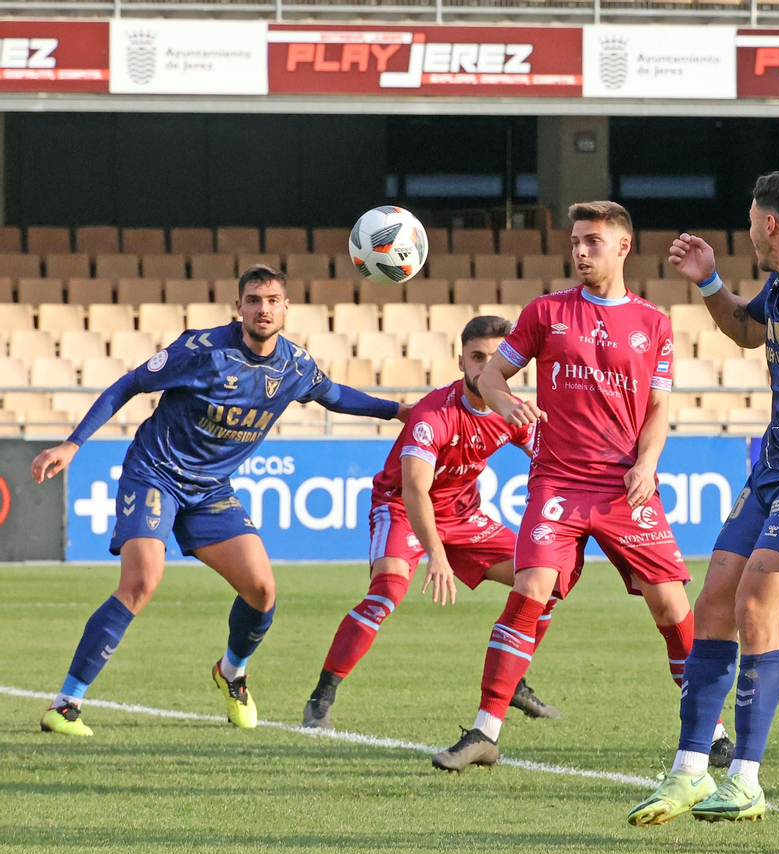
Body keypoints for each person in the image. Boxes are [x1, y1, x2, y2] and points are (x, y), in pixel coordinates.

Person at [33, 265, 407, 736]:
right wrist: (73, 443)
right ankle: (65, 704)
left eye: (272, 300)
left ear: (286, 307)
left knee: (262, 590)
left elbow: (333, 395)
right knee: (141, 581)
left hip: (210, 490)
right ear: (239, 307)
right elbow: (128, 384)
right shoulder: (201, 350)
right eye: (254, 300)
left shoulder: (294, 366)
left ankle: (232, 672)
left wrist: (395, 411)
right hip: (155, 474)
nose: (263, 308)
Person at [626, 170, 779, 826]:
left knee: (755, 606)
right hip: (774, 466)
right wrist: (709, 280)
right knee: (713, 606)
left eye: (748, 220)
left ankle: (747, 779)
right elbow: (747, 330)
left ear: (769, 223)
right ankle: (687, 771)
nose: (748, 233)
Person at [429, 201, 699, 772]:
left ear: (623, 247)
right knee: (529, 589)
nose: (579, 251)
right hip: (558, 481)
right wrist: (506, 404)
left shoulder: (655, 324)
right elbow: (491, 375)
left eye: (593, 241)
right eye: (575, 241)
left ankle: (708, 729)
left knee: (671, 605)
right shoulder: (546, 313)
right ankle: (484, 732)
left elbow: (657, 411)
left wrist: (648, 463)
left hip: (623, 486)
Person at [303, 315, 559, 730]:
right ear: (461, 360)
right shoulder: (433, 414)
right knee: (386, 592)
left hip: (463, 517)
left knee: (545, 583)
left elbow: (554, 461)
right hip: (401, 507)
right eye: (476, 357)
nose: (483, 366)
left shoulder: (512, 412)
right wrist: (437, 555)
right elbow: (413, 490)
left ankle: (511, 681)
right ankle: (322, 697)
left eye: (494, 358)